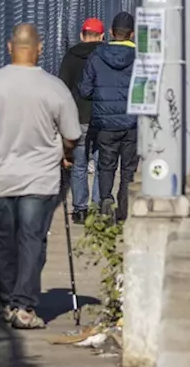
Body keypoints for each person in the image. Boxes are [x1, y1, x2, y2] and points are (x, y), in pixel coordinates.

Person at [0, 23, 81, 329]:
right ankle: (24, 306)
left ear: (8, 47)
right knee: (31, 239)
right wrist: (66, 154)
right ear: (40, 49)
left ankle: (5, 299)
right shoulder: (53, 88)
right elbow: (71, 135)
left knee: (2, 240)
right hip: (39, 178)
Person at [80, 11, 137, 222]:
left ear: (111, 32)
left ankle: (105, 201)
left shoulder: (96, 56)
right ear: (131, 34)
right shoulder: (139, 58)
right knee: (128, 169)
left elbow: (85, 90)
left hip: (104, 124)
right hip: (132, 122)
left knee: (106, 165)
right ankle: (124, 211)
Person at [58, 18, 104, 224]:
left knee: (79, 165)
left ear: (81, 35)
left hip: (77, 118)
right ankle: (97, 206)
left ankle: (80, 209)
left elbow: (63, 88)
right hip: (102, 117)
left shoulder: (71, 56)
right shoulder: (106, 55)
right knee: (102, 163)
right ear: (103, 36)